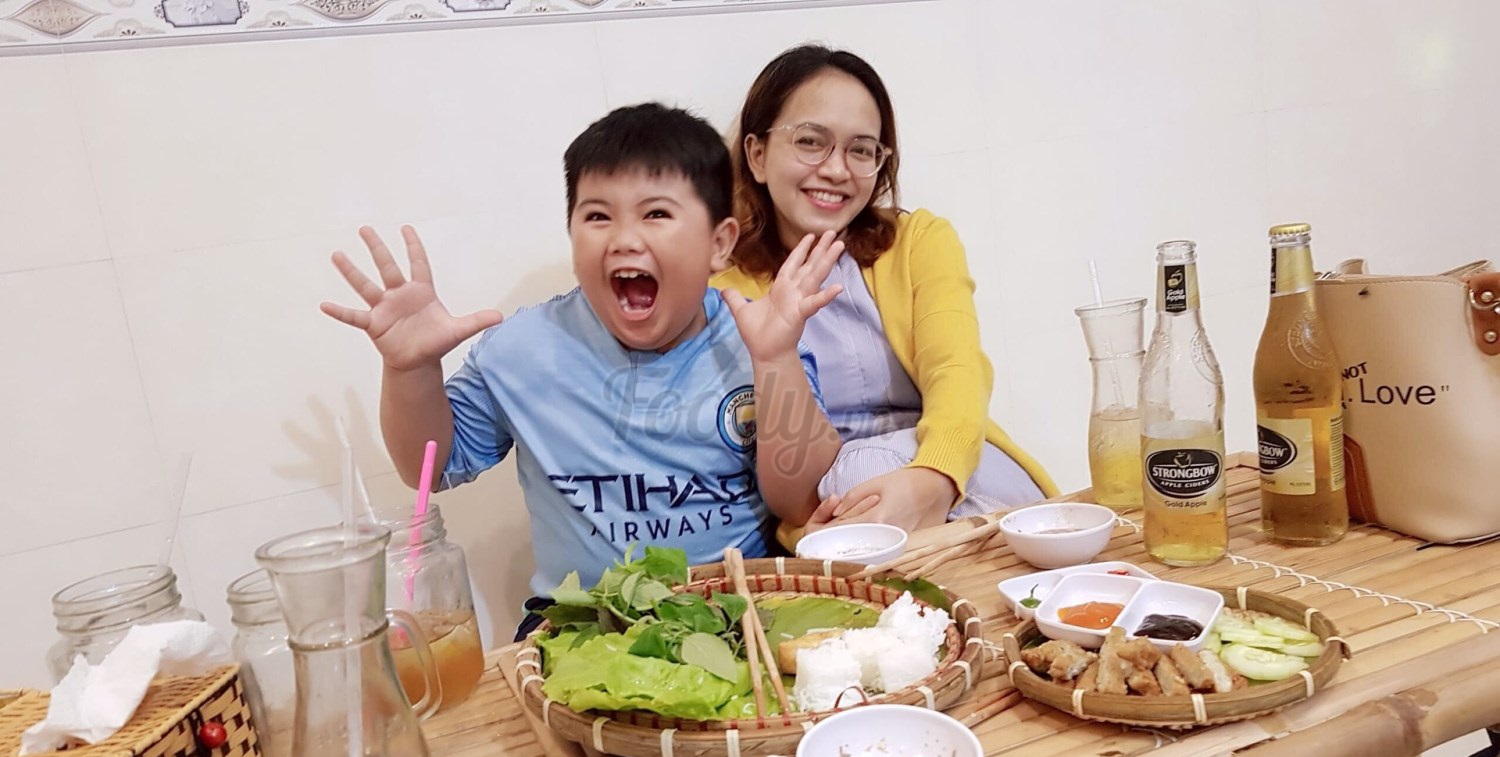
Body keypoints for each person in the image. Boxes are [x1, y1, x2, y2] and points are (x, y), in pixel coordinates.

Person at [320, 103, 842, 638]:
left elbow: (798, 499)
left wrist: (775, 359)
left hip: (735, 610)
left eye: (655, 214)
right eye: (597, 216)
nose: (624, 238)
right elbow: (429, 467)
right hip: (577, 624)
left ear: (719, 243)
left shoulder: (757, 336)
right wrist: (410, 370)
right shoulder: (523, 349)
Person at [714, 44, 1058, 538]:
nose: (837, 170)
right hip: (840, 507)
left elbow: (957, 373)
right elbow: (761, 459)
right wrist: (816, 525)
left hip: (959, 472)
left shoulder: (919, 241)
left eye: (860, 150)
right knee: (860, 471)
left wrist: (934, 478)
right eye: (810, 141)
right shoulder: (723, 292)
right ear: (758, 155)